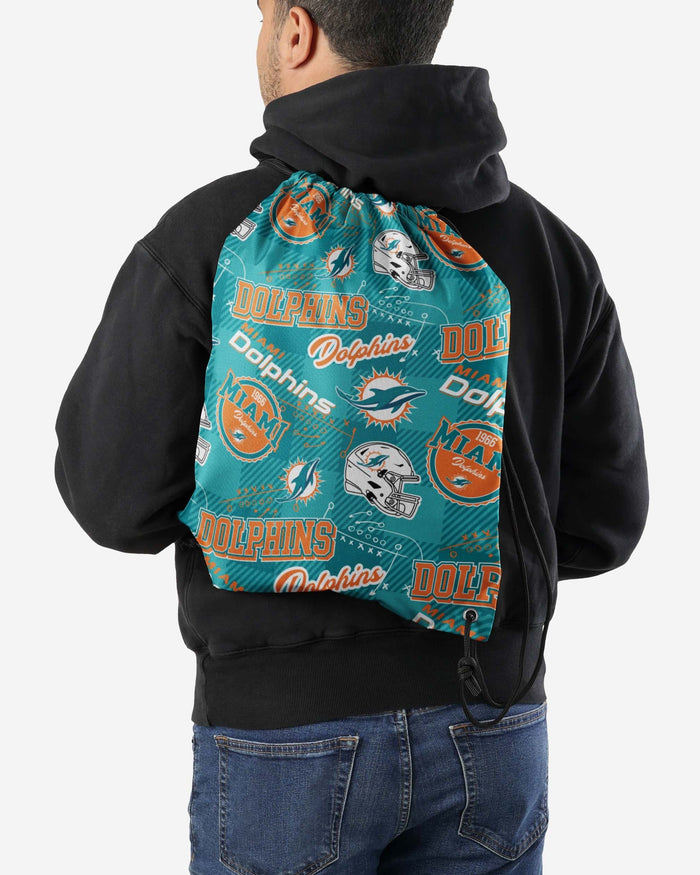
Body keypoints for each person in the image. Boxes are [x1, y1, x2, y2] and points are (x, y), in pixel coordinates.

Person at [53, 1, 649, 872]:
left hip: (281, 732)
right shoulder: (548, 248)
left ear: (296, 31)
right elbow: (603, 525)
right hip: (493, 724)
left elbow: (112, 500)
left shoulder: (211, 237)